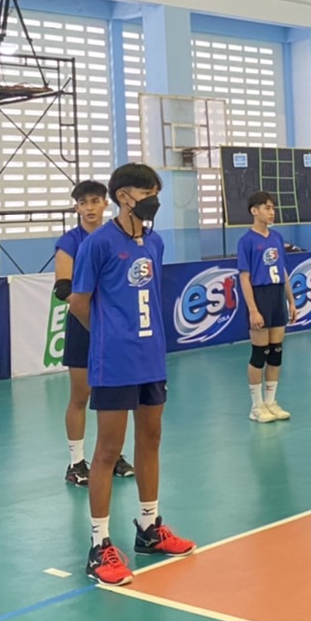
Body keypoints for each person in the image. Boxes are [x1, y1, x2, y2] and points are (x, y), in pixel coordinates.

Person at [69, 163, 194, 586]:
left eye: (157, 193)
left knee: (151, 438)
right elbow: (79, 302)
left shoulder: (155, 242)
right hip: (114, 362)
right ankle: (99, 545)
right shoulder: (98, 244)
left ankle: (149, 527)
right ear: (124, 196)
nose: (154, 200)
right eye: (148, 193)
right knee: (108, 449)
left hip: (150, 358)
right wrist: (109, 336)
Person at [55, 180, 133, 486]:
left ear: (105, 204)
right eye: (83, 202)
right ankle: (76, 462)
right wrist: (90, 313)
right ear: (76, 207)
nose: (89, 208)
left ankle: (113, 455)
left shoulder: (117, 237)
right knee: (81, 394)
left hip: (116, 325)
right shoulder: (69, 242)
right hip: (83, 323)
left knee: (114, 393)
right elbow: (63, 288)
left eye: (95, 201)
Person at [238, 191, 297, 423]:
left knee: (276, 351)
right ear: (255, 211)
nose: (272, 212)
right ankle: (256, 405)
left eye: (273, 208)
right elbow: (244, 277)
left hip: (277, 295)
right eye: (267, 208)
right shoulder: (246, 241)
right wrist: (253, 309)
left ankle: (271, 401)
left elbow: (283, 271)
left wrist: (291, 301)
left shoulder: (277, 238)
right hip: (260, 295)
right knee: (259, 353)